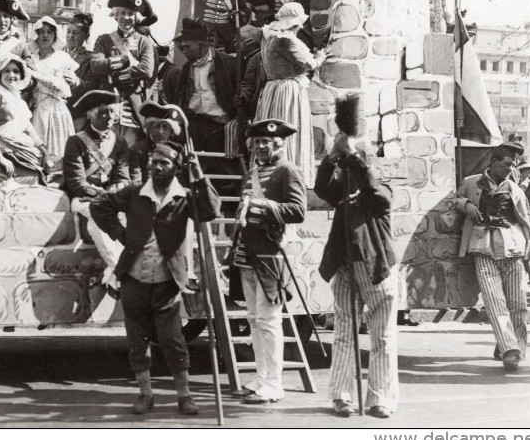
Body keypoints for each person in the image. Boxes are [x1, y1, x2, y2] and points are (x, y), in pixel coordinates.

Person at [90, 141, 220, 416]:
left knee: (173, 340)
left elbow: (210, 211)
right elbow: (100, 205)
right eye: (153, 162)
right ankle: (145, 394)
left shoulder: (184, 196)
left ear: (176, 168)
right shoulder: (135, 192)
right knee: (137, 340)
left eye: (164, 163)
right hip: (133, 280)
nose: (157, 168)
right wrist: (121, 234)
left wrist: (199, 177)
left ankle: (185, 396)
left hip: (166, 283)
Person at [315, 127, 398, 419]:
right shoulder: (344, 188)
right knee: (343, 334)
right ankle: (341, 396)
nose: (349, 165)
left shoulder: (381, 187)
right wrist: (331, 157)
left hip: (376, 267)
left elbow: (374, 190)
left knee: (383, 337)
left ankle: (381, 399)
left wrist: (352, 157)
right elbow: (322, 188)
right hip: (345, 264)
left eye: (358, 158)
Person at [230, 119, 307, 404]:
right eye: (257, 142)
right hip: (246, 253)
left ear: (278, 144)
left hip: (270, 256)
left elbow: (298, 210)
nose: (261, 147)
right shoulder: (251, 173)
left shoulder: (288, 170)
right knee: (253, 319)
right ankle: (261, 378)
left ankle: (274, 384)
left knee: (269, 320)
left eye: (267, 142)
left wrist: (266, 206)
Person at [455, 142, 530, 372]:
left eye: (514, 164)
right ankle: (510, 350)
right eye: (507, 164)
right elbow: (455, 199)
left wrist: (529, 250)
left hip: (512, 247)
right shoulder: (472, 182)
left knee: (517, 302)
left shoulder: (515, 188)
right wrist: (466, 204)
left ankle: (513, 344)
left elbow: (525, 219)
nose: (511, 169)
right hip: (483, 245)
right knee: (494, 300)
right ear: (494, 162)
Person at [63, 90, 131, 297]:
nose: (110, 118)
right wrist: (102, 195)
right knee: (98, 215)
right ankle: (122, 271)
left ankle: (114, 276)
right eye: (103, 113)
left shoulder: (119, 142)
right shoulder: (76, 141)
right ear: (90, 115)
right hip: (84, 199)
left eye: (112, 112)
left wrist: (115, 192)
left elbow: (123, 177)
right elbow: (76, 182)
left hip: (112, 199)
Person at [255, 2, 326, 186]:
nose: (299, 27)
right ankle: (288, 180)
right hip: (288, 91)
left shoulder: (268, 36)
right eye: (297, 24)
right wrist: (320, 58)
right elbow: (309, 64)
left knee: (274, 131)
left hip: (272, 89)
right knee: (289, 130)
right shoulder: (285, 39)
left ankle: (270, 178)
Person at [90, 0, 155, 146]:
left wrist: (116, 74)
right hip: (108, 101)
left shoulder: (144, 42)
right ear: (115, 15)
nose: (126, 18)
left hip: (132, 106)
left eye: (130, 14)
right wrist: (123, 61)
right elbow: (96, 66)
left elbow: (146, 70)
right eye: (122, 13)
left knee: (130, 150)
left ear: (136, 17)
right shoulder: (104, 40)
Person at [171, 17, 238, 154]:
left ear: (202, 44)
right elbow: (179, 97)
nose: (184, 52)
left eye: (187, 47)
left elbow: (239, 91)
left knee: (216, 166)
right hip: (192, 124)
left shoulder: (227, 63)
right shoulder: (186, 68)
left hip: (218, 126)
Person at [0, 55, 49, 181]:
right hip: (7, 148)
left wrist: (45, 152)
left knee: (57, 164)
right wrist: (1, 159)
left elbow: (29, 129)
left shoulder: (17, 97)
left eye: (16, 71)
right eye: (6, 70)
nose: (12, 75)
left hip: (24, 144)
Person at [29, 16, 80, 165]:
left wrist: (34, 74)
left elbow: (59, 84)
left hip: (56, 108)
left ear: (55, 36)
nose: (45, 35)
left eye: (49, 32)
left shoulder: (62, 57)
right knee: (37, 148)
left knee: (59, 150)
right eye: (41, 32)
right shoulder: (31, 57)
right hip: (37, 108)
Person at [129, 101, 183, 186]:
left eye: (165, 127)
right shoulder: (137, 150)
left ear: (171, 131)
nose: (161, 132)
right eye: (157, 126)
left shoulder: (177, 151)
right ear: (149, 128)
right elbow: (136, 181)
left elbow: (181, 181)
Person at [65, 11, 99, 112]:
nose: (70, 36)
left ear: (86, 36)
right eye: (68, 31)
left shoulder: (90, 57)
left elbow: (93, 85)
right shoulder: (58, 53)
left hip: (77, 108)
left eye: (75, 33)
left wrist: (77, 82)